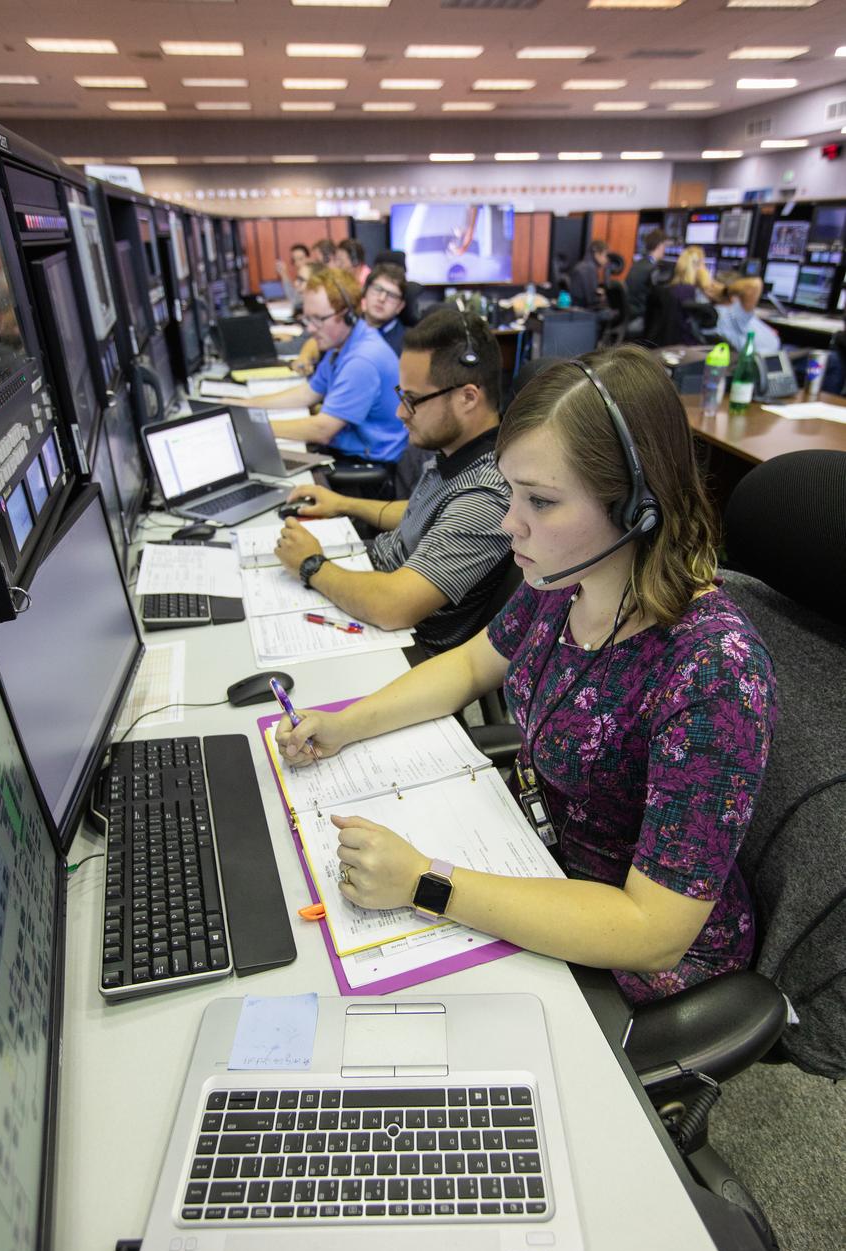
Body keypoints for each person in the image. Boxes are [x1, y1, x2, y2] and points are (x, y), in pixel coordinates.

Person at [276, 345, 777, 1006]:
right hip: (535, 858)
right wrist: (344, 724)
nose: (510, 523)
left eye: (540, 500)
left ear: (637, 508)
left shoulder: (712, 673)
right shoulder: (563, 578)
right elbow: (470, 664)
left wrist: (428, 882)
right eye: (510, 491)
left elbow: (652, 932)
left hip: (632, 951)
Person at [274, 309, 512, 654]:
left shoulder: (487, 494)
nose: (401, 412)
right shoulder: (457, 452)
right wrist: (343, 504)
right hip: (376, 588)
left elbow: (394, 607)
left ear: (468, 397)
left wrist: (312, 565)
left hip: (401, 642)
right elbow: (424, 516)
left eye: (413, 400)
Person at [237, 267, 406, 464]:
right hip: (350, 448)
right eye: (308, 318)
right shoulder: (345, 343)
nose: (310, 328)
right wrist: (246, 405)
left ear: (347, 315)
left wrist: (251, 428)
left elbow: (323, 430)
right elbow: (309, 393)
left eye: (318, 319)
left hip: (369, 465)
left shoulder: (362, 360)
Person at [716, 277, 782, 357]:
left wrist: (766, 331)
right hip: (768, 358)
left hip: (766, 351)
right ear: (733, 296)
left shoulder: (719, 311)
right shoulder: (734, 312)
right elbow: (754, 285)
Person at [361, 262, 408, 355]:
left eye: (391, 295)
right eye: (377, 289)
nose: (382, 299)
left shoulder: (407, 346)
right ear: (365, 292)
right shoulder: (347, 329)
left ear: (400, 306)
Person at [625, 229, 666, 329]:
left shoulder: (637, 264)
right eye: (665, 246)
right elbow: (657, 297)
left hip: (629, 313)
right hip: (640, 316)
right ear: (660, 245)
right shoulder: (652, 269)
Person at [569, 239, 609, 310]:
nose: (606, 259)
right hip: (582, 312)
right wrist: (605, 298)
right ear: (597, 254)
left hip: (576, 307)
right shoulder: (589, 268)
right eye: (605, 255)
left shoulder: (584, 265)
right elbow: (592, 300)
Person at [274, 242, 309, 307]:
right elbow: (293, 296)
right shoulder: (301, 275)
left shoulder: (311, 276)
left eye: (300, 259)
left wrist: (284, 274)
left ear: (308, 258)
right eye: (294, 260)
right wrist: (283, 274)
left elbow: (294, 300)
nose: (297, 263)